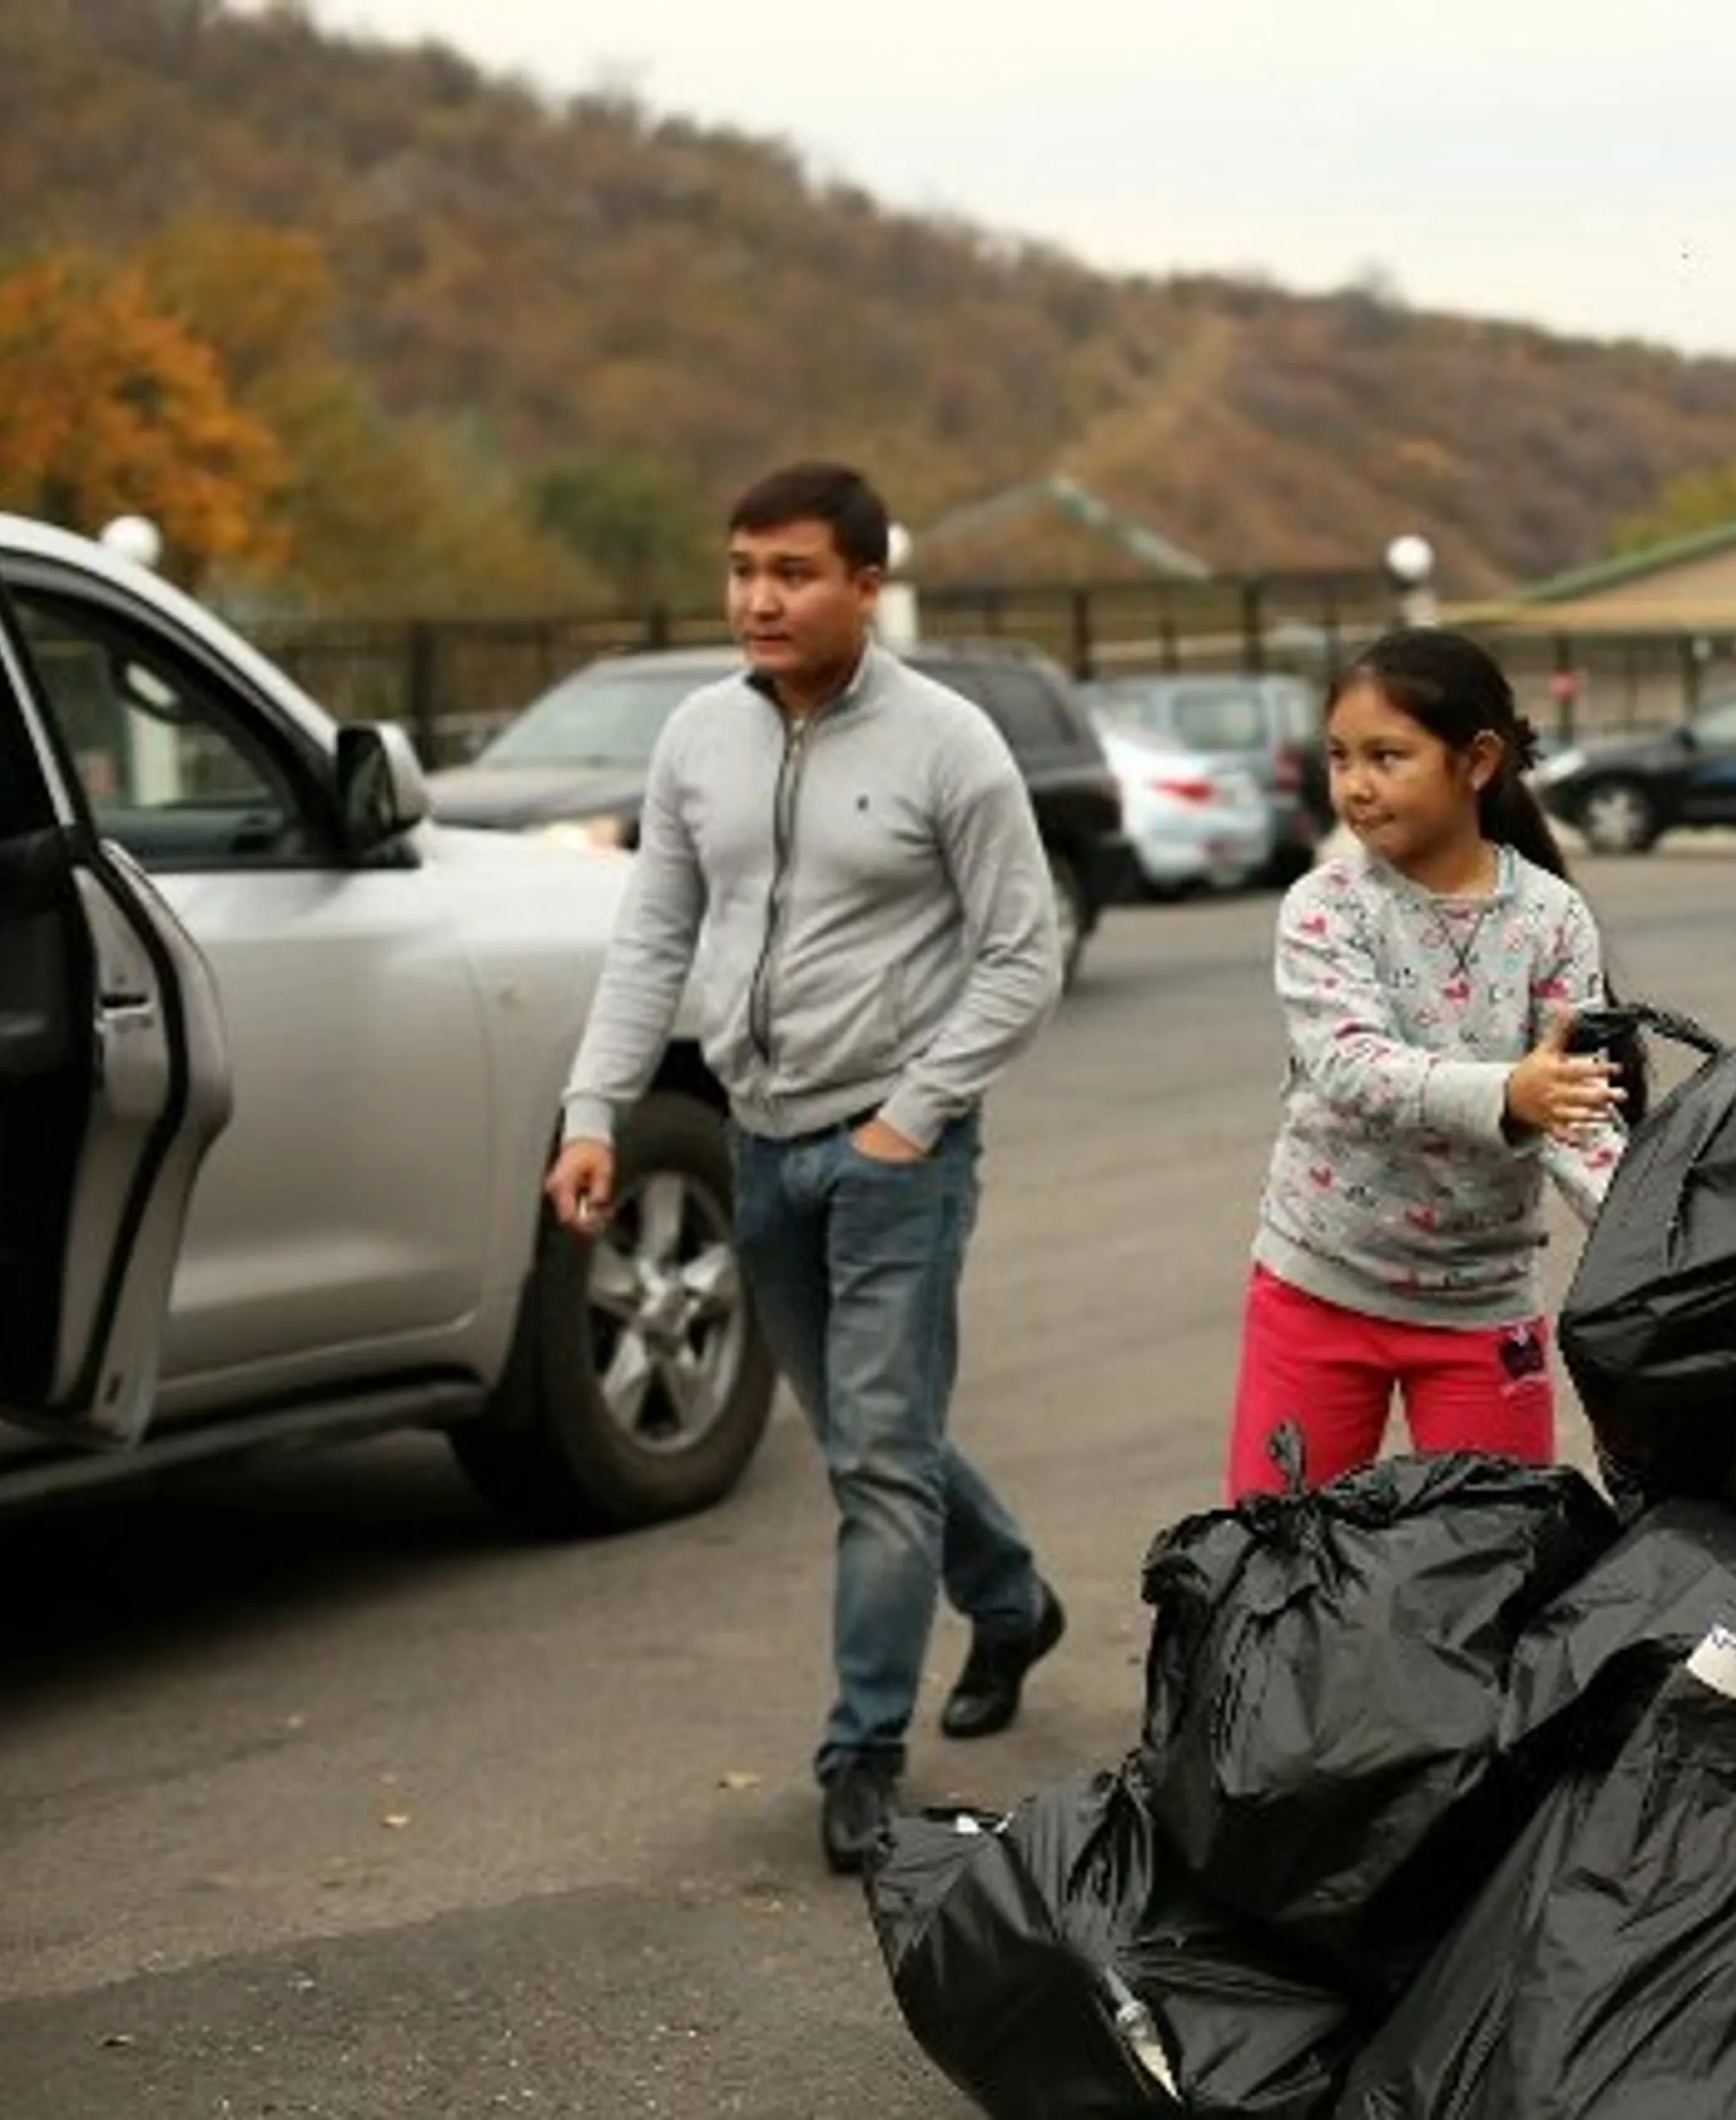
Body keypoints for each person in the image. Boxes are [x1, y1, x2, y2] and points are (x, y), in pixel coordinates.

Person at [543, 460, 1067, 1876]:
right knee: (864, 1434)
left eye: (792, 573)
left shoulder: (949, 743)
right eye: (742, 569)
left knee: (876, 1459)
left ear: (865, 587)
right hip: (754, 1145)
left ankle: (861, 1751)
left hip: (898, 1153)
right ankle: (1008, 1597)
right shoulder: (698, 737)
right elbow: (653, 933)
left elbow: (1026, 951)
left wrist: (918, 1109)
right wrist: (594, 1109)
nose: (759, 598)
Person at [1230, 626, 1628, 1503]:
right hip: (1318, 1291)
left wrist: (1655, 1232)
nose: (1356, 786)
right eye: (1340, 757)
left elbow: (1578, 1113)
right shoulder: (1325, 907)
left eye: (1387, 756)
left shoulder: (1555, 918)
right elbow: (1351, 1065)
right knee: (1273, 1570)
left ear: (1476, 761)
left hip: (1482, 1314)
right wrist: (1510, 1094)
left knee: (1495, 1576)